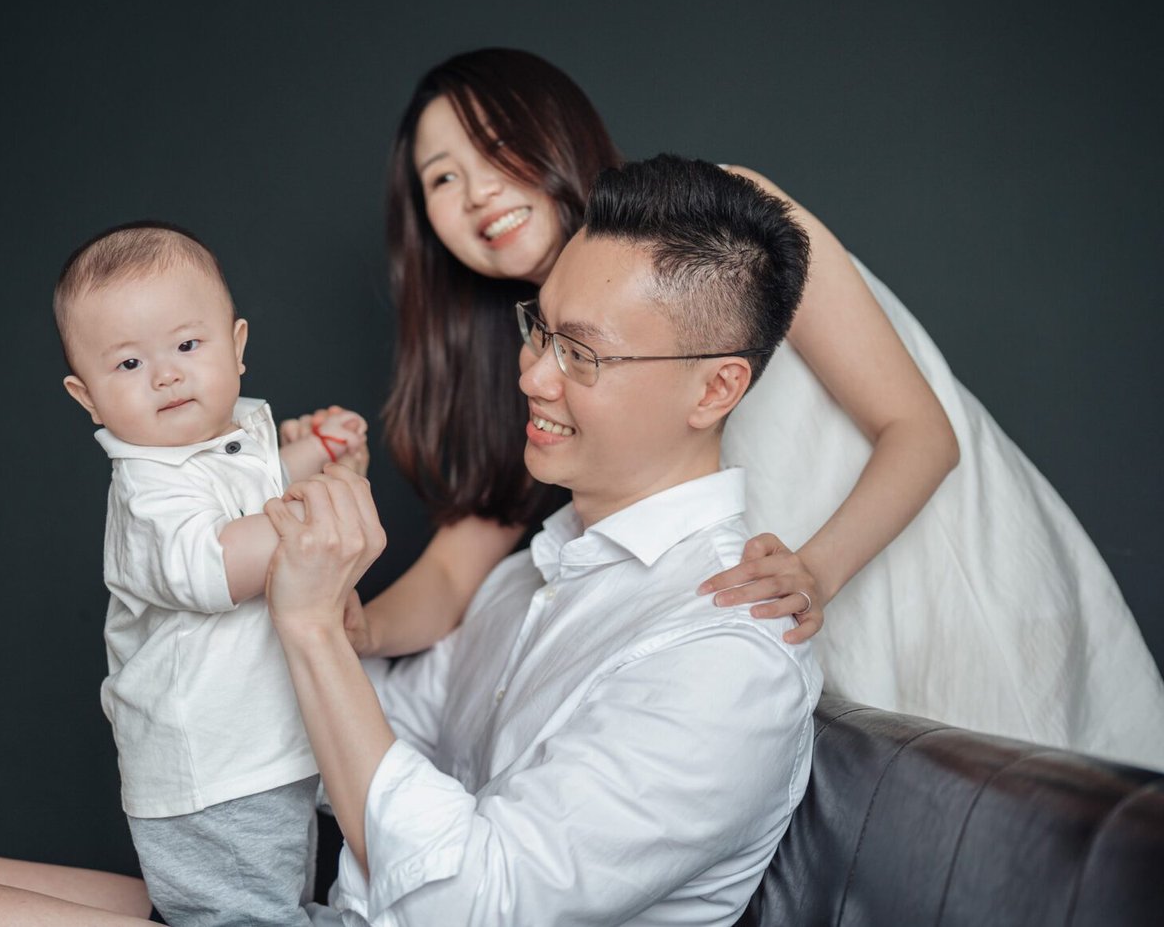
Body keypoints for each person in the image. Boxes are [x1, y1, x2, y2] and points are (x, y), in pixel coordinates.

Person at [316, 47, 1164, 768]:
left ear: (555, 130)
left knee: (1041, 815)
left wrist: (818, 570)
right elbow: (452, 575)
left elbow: (922, 432)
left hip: (913, 550)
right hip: (774, 600)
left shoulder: (730, 231)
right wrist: (350, 626)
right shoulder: (521, 354)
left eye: (497, 147)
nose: (476, 193)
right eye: (442, 177)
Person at [264, 155, 822, 925]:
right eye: (540, 330)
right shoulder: (531, 573)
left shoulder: (729, 657)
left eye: (581, 354)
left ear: (716, 388)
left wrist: (313, 629)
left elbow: (466, 907)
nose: (531, 377)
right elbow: (382, 734)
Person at [0, 222, 367, 927]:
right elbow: (213, 564)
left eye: (188, 345)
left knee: (274, 895)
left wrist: (317, 452)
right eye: (128, 363)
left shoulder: (234, 440)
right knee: (243, 913)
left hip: (263, 750)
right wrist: (313, 509)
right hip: (208, 772)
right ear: (86, 396)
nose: (166, 374)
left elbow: (261, 487)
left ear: (237, 346)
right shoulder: (148, 488)